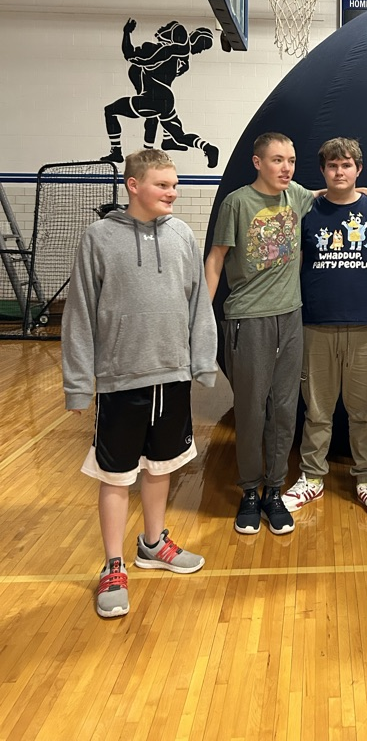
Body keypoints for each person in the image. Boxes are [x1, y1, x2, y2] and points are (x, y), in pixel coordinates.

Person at [204, 133, 367, 536]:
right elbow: (216, 260)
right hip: (248, 318)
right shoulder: (237, 202)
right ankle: (250, 491)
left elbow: (333, 189)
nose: (285, 167)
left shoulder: (298, 195)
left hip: (291, 317)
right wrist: (201, 316)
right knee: (252, 410)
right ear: (257, 162)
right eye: (276, 160)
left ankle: (274, 489)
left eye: (290, 159)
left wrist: (364, 190)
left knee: (286, 409)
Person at [61, 149, 218, 619]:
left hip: (172, 376)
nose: (173, 192)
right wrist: (77, 383)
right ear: (134, 186)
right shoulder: (99, 238)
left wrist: (201, 361)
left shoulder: (183, 236)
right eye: (163, 185)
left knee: (162, 465)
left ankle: (153, 544)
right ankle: (113, 565)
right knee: (114, 475)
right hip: (120, 381)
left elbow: (198, 306)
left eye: (175, 184)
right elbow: (81, 314)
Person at [282, 138, 367, 519]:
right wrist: (322, 192)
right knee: (317, 411)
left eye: (345, 166)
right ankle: (311, 476)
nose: (339, 172)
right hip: (316, 325)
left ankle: (366, 479)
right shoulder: (308, 208)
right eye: (331, 167)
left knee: (363, 412)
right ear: (323, 171)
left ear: (359, 169)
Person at [101, 19, 218, 168]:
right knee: (180, 136)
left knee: (110, 110)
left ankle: (117, 151)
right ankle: (207, 147)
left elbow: (129, 54)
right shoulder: (182, 60)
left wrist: (126, 32)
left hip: (153, 97)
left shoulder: (159, 51)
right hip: (167, 100)